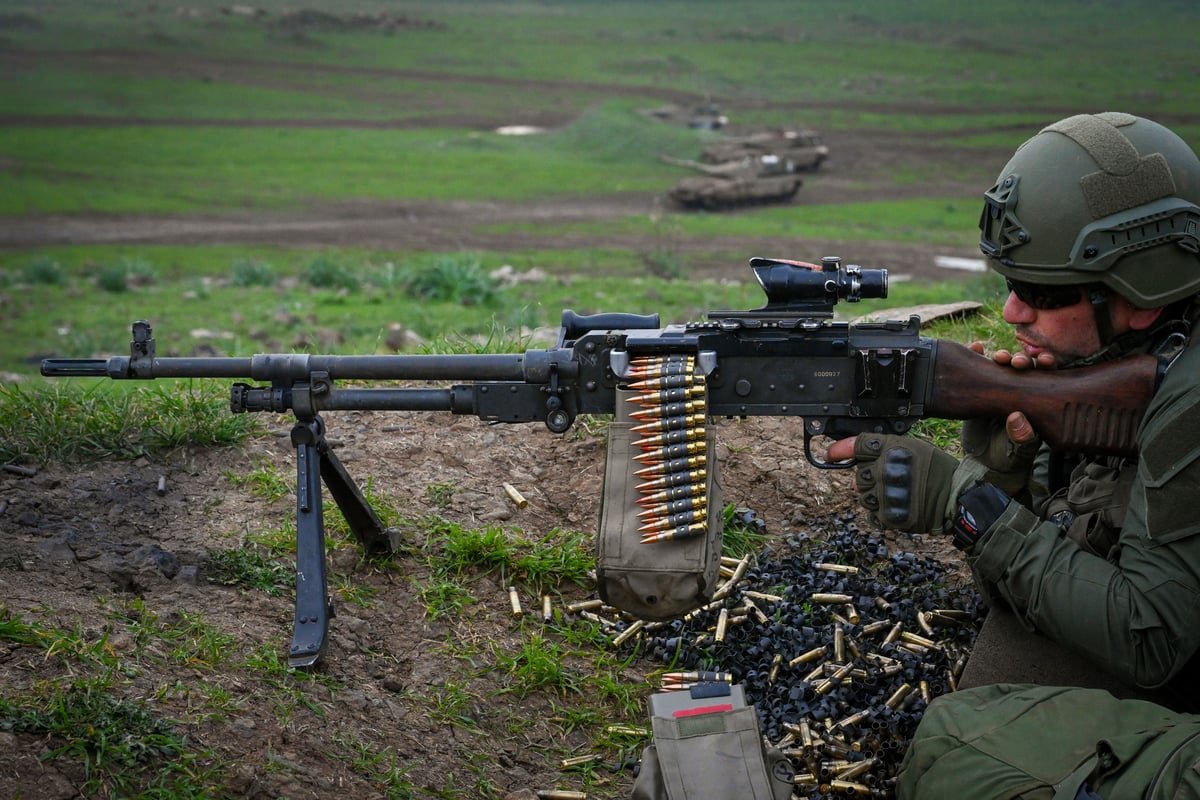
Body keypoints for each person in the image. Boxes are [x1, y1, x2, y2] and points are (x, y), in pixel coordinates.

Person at [826, 111, 1200, 711]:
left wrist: (969, 505)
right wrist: (1004, 484)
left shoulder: (1188, 400)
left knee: (957, 755)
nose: (1011, 313)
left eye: (1044, 294)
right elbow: (1066, 564)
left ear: (1142, 298)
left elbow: (1149, 641)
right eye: (1010, 283)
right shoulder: (1125, 365)